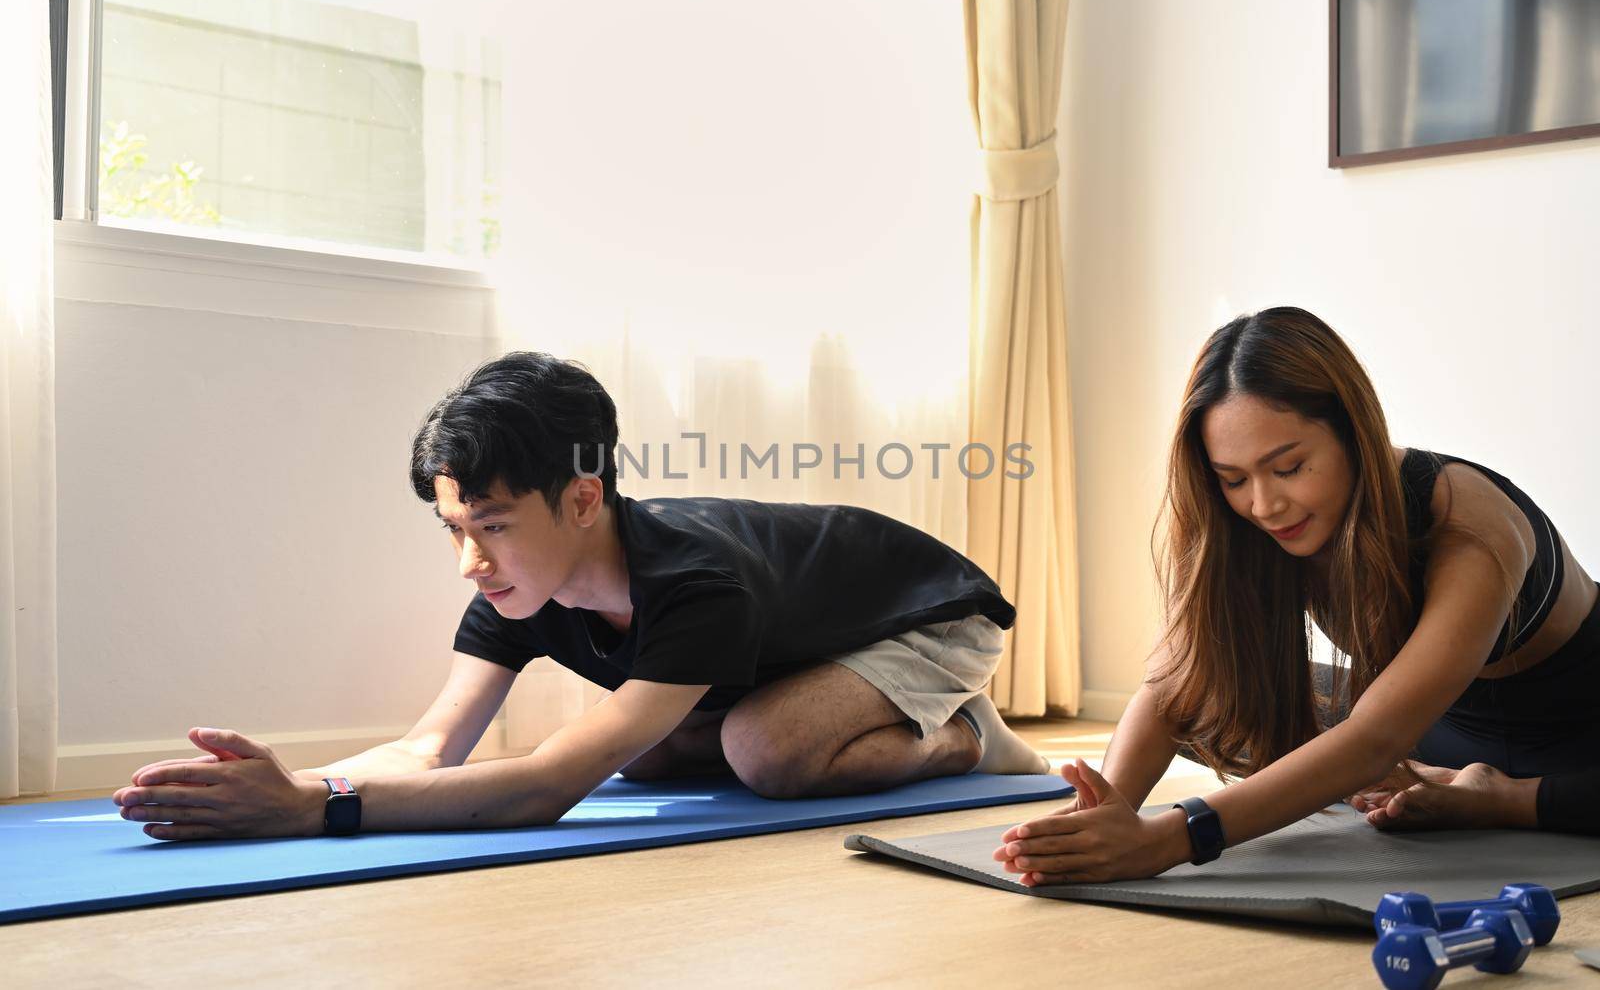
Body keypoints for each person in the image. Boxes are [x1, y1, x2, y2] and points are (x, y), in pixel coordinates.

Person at [112, 352, 1046, 840]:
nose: (470, 561)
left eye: (493, 523)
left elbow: (553, 781)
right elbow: (428, 746)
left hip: (930, 613)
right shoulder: (517, 584)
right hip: (794, 640)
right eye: (453, 528)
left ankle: (966, 736)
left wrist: (320, 813)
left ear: (583, 497)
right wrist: (297, 784)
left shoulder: (693, 585)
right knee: (639, 759)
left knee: (762, 750)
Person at [994, 306, 1599, 886]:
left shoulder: (1468, 523)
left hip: (1581, 731)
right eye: (1234, 479)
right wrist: (1110, 811)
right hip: (1436, 731)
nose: (1264, 504)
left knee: (1362, 750)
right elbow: (1177, 686)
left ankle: (1505, 798)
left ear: (1353, 434)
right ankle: (1440, 782)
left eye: (1288, 468)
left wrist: (1168, 840)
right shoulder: (1251, 527)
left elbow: (1372, 738)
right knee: (1221, 686)